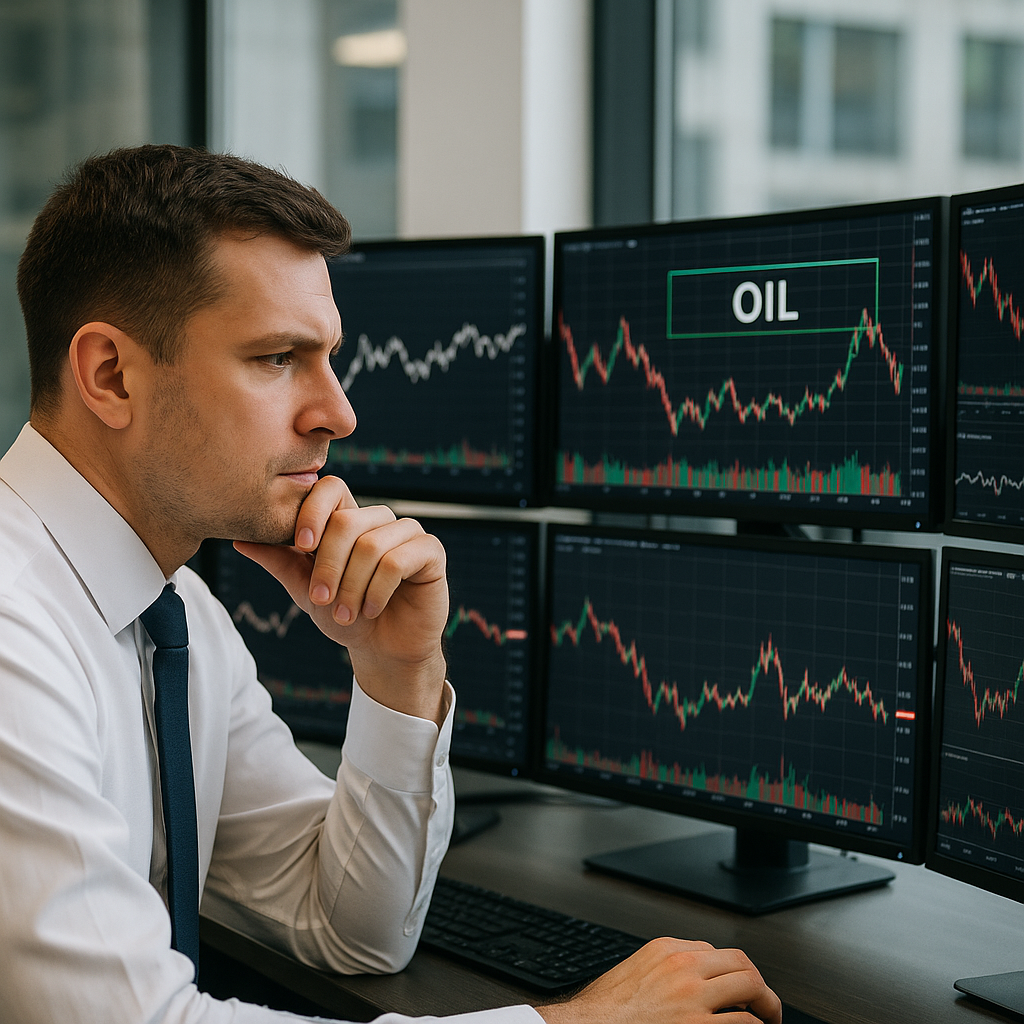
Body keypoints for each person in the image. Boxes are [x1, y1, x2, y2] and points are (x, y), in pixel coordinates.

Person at [0, 144, 782, 1024]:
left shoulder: (179, 617)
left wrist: (397, 668)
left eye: (329, 357)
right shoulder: (13, 628)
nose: (338, 413)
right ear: (110, 374)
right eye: (276, 358)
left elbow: (350, 930)